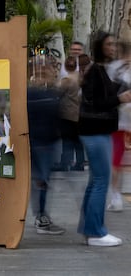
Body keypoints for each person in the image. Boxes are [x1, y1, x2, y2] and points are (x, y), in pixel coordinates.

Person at [78, 31, 131, 247]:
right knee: (101, 181)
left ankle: (90, 228)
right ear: (100, 46)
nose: (112, 48)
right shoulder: (95, 71)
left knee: (95, 182)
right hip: (95, 131)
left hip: (97, 131)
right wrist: (119, 97)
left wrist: (121, 89)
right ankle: (96, 232)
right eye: (109, 44)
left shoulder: (99, 71)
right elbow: (96, 103)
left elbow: (106, 94)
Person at [27, 58, 65, 235]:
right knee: (41, 181)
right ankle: (41, 218)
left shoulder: (52, 92)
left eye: (47, 71)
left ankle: (42, 216)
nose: (45, 75)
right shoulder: (32, 93)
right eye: (41, 72)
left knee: (43, 181)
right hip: (38, 144)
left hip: (49, 143)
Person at [105, 41, 131, 211]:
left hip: (119, 120)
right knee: (117, 160)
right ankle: (116, 196)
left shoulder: (113, 68)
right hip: (124, 120)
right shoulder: (117, 69)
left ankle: (116, 196)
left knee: (115, 161)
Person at [54, 41, 87, 171]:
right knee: (76, 139)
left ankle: (66, 162)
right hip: (76, 110)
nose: (75, 51)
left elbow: (59, 90)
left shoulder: (71, 76)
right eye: (73, 49)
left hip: (70, 110)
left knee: (68, 138)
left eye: (78, 49)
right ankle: (78, 162)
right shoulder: (77, 74)